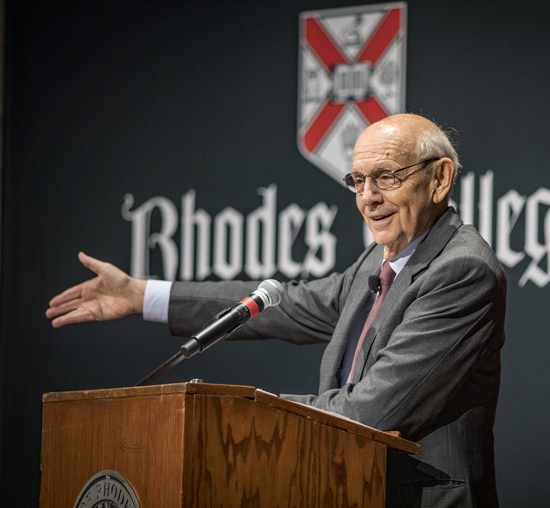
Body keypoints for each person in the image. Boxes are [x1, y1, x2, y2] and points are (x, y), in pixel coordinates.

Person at [47, 114, 507, 507]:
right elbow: (292, 306)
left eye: (387, 176)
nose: (368, 197)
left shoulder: (461, 270)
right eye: (358, 181)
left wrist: (238, 414)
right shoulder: (382, 257)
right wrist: (141, 294)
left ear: (440, 178)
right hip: (351, 487)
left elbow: (371, 412)